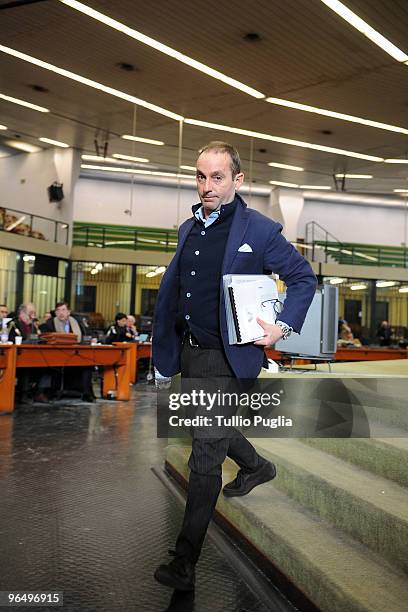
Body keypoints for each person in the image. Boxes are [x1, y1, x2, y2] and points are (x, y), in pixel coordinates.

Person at [152, 141, 317, 591]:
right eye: (201, 176)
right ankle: (257, 466)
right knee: (211, 430)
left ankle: (184, 561)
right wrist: (165, 354)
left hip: (229, 356)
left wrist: (282, 326)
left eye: (217, 177)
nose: (208, 186)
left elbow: (304, 277)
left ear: (237, 180)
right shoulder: (189, 227)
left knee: (205, 451)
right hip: (191, 353)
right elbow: (175, 294)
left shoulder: (258, 230)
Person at [43, 301, 95, 402]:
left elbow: (88, 333)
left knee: (88, 363)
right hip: (57, 354)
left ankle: (86, 393)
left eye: (63, 310)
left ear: (69, 312)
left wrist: (93, 339)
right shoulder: (50, 323)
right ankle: (52, 391)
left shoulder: (76, 322)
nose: (60, 313)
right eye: (58, 310)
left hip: (76, 353)